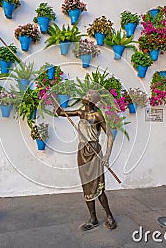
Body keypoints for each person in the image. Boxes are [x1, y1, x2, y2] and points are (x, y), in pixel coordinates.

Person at [55, 90, 116, 231]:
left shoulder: (98, 115)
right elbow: (59, 113)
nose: (84, 96)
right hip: (82, 151)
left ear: (93, 100)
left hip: (94, 151)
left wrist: (107, 156)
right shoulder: (80, 112)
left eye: (88, 96)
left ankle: (109, 216)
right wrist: (57, 99)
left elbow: (110, 136)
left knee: (98, 187)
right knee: (87, 186)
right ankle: (93, 218)